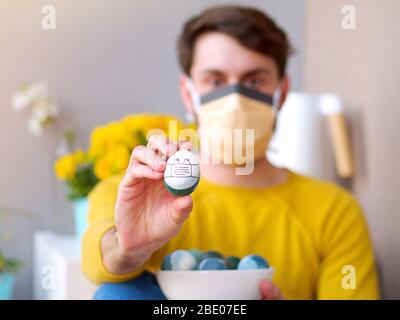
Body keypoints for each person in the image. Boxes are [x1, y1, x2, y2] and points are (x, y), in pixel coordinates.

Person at [82, 5, 380, 300]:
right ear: (189, 94)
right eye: (215, 81)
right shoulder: (132, 199)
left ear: (282, 92)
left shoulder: (334, 212)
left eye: (254, 81)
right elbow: (101, 265)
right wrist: (128, 248)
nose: (235, 99)